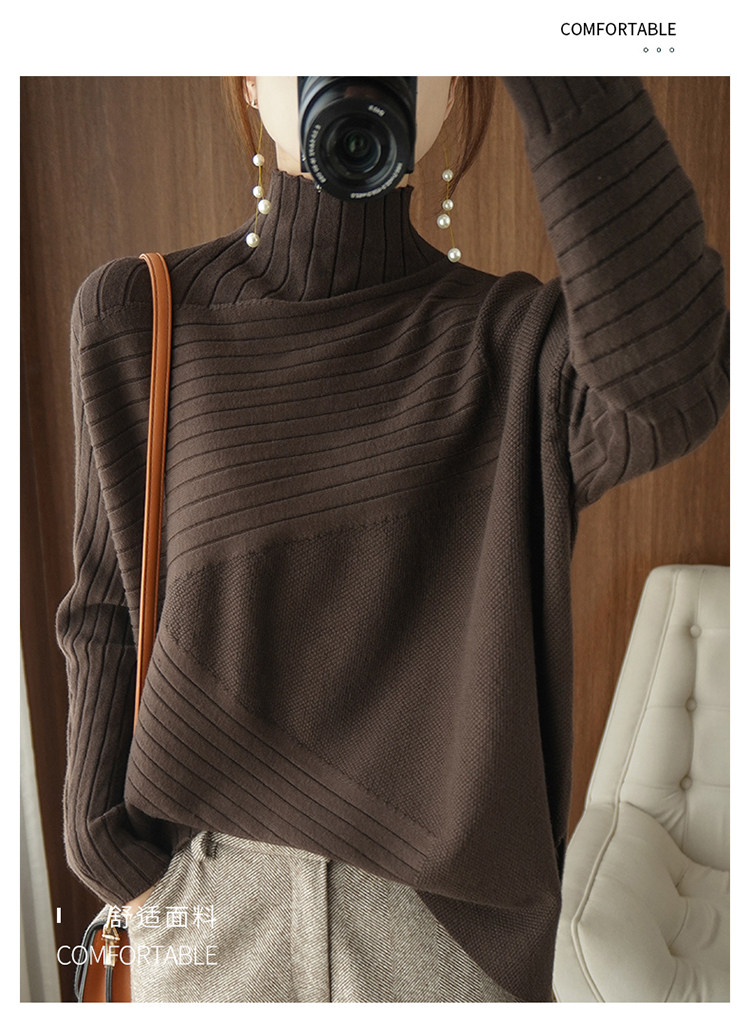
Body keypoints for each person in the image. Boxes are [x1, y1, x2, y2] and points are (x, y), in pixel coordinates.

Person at [55, 76, 729, 1003]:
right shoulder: (139, 313)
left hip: (447, 941)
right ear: (248, 74)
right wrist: (108, 850)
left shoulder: (517, 346)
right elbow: (103, 610)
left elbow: (674, 382)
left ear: (455, 86)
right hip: (208, 912)